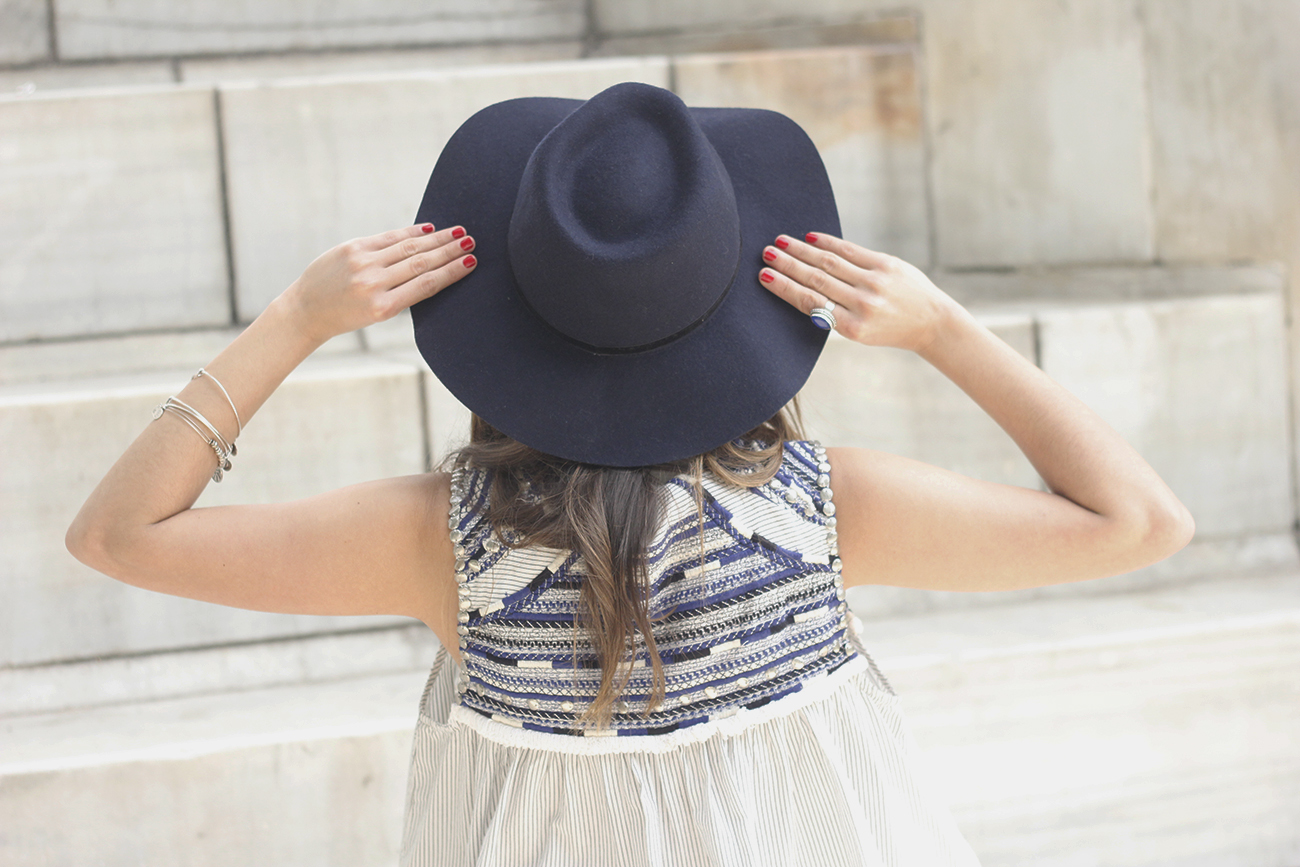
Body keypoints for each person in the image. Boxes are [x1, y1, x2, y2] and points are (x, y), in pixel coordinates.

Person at [66, 81, 1194, 866]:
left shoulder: (436, 544)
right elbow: (1137, 521)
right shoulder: (825, 516)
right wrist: (944, 329)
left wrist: (294, 320)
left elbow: (119, 535)